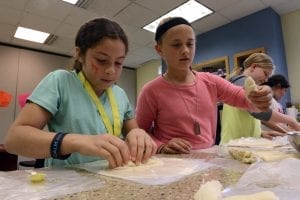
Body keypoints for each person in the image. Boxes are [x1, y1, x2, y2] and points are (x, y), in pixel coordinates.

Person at [4, 18, 156, 168]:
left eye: (119, 63)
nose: (111, 70)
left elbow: (133, 130)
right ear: (80, 54)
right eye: (102, 60)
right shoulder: (60, 82)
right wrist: (76, 142)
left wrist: (138, 135)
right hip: (66, 182)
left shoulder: (120, 94)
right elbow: (14, 140)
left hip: (111, 179)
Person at [135, 17, 273, 154]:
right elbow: (138, 132)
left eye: (190, 44)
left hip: (208, 161)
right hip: (171, 164)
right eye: (176, 45)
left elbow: (244, 99)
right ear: (159, 49)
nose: (185, 51)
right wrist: (161, 145)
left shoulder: (211, 82)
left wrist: (261, 94)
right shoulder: (151, 91)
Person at [221, 53, 300, 144]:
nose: (266, 80)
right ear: (253, 67)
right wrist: (291, 121)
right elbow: (259, 111)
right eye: (265, 74)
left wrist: (261, 133)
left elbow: (246, 115)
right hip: (234, 143)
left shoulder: (245, 83)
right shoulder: (242, 81)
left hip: (243, 142)